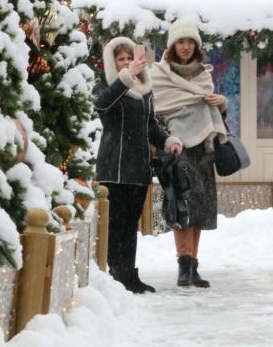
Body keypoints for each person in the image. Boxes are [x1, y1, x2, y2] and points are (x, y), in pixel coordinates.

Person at [93, 37, 182, 294]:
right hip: (114, 169)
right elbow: (101, 105)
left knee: (130, 225)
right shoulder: (107, 86)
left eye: (131, 58)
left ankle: (129, 275)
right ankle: (115, 276)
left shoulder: (145, 90)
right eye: (121, 59)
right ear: (112, 62)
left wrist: (168, 141)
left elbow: (150, 126)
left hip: (139, 169)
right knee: (114, 226)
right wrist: (126, 77)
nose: (127, 63)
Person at [151, 20, 227, 288]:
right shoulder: (158, 74)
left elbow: (210, 111)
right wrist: (166, 140)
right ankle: (183, 266)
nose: (185, 47)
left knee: (198, 209)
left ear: (196, 46)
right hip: (176, 148)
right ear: (172, 46)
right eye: (181, 42)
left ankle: (193, 266)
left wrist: (222, 103)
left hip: (203, 151)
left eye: (190, 42)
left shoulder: (203, 76)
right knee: (181, 206)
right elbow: (156, 112)